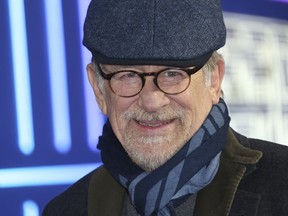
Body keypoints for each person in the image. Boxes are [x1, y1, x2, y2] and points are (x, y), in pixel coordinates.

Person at [43, 0, 288, 215]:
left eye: (172, 74)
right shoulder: (66, 209)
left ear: (214, 80)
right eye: (127, 75)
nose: (151, 101)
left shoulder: (282, 187)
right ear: (98, 89)